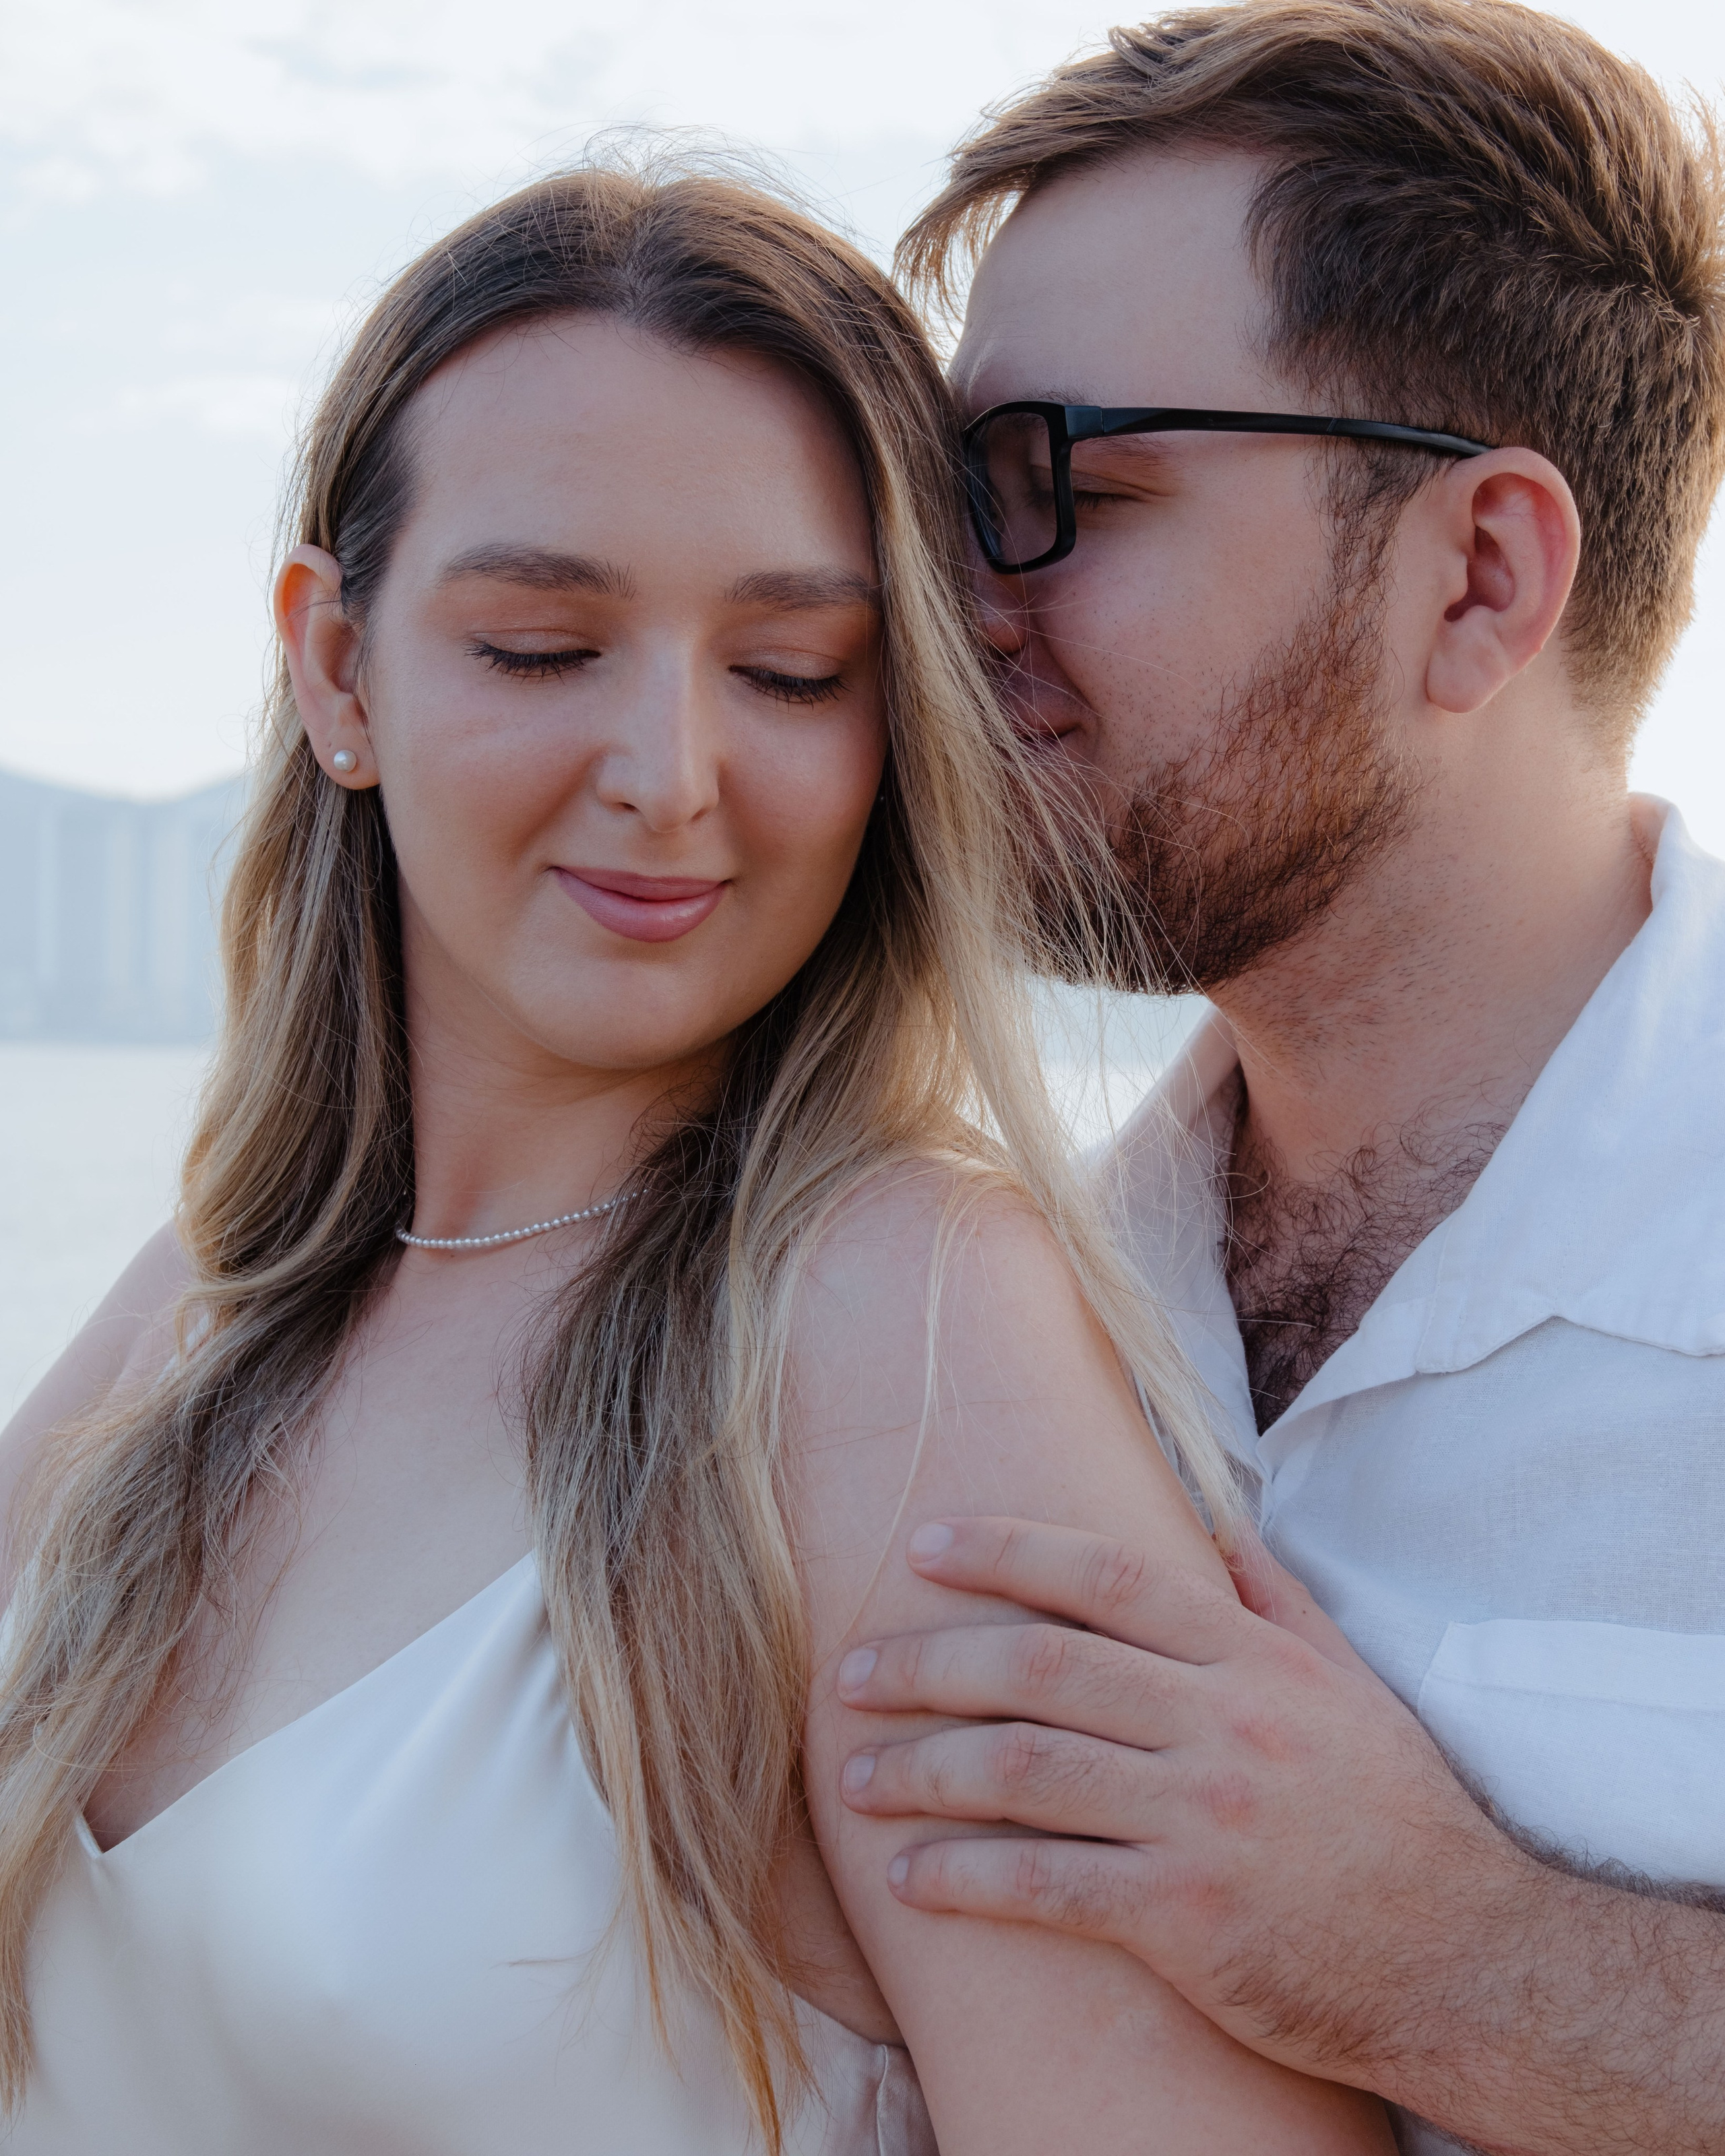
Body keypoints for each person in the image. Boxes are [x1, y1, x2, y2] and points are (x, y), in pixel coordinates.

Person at [0, 162, 1390, 2154]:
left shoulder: (898, 1323)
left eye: (791, 673)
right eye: (543, 647)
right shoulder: (223, 1299)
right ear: (337, 669)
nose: (670, 777)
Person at [832, 5, 1725, 2152]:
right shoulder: (981, 1300)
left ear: (1481, 579)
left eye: (1066, 490)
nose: (948, 614)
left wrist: (1464, 1958)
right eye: (944, 502)